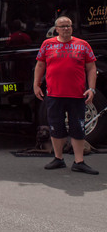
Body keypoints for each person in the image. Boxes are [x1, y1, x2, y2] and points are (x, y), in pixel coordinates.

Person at [34, 16, 99, 175]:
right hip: (55, 95)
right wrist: (36, 84)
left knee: (78, 128)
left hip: (77, 95)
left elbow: (91, 68)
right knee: (56, 128)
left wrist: (91, 89)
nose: (65, 29)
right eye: (62, 26)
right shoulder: (47, 45)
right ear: (56, 29)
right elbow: (40, 64)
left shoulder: (82, 45)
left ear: (72, 27)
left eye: (68, 26)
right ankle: (58, 158)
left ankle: (79, 161)